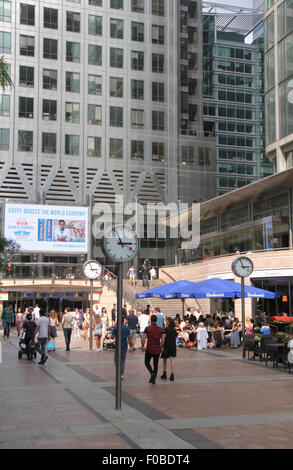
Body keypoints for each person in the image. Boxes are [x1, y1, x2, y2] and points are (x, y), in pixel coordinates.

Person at [141, 314, 165, 385]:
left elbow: (143, 338)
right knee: (156, 363)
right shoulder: (161, 329)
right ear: (156, 320)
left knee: (146, 362)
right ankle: (153, 376)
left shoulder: (147, 328)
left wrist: (142, 345)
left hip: (149, 348)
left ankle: (152, 374)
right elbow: (163, 339)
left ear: (151, 320)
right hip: (157, 347)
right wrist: (161, 346)